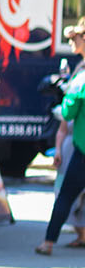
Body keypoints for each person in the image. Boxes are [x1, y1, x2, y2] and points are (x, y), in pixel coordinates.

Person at [50, 19, 85, 247]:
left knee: (66, 193)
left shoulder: (82, 76)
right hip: (74, 138)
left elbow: (68, 110)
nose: (72, 41)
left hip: (79, 144)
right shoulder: (80, 68)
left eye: (75, 38)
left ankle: (48, 242)